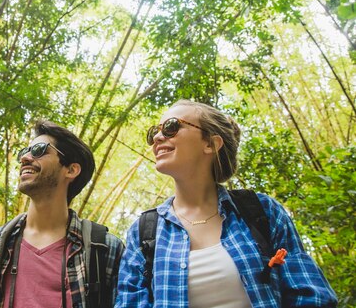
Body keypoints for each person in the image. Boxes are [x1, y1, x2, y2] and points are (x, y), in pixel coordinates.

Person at [115, 99, 337, 308]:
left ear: (211, 143)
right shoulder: (144, 231)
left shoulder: (262, 212)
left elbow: (311, 296)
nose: (158, 138)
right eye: (155, 132)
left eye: (171, 127)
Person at [0, 120, 125, 308]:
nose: (25, 158)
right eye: (24, 152)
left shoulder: (104, 249)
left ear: (70, 170)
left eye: (39, 150)